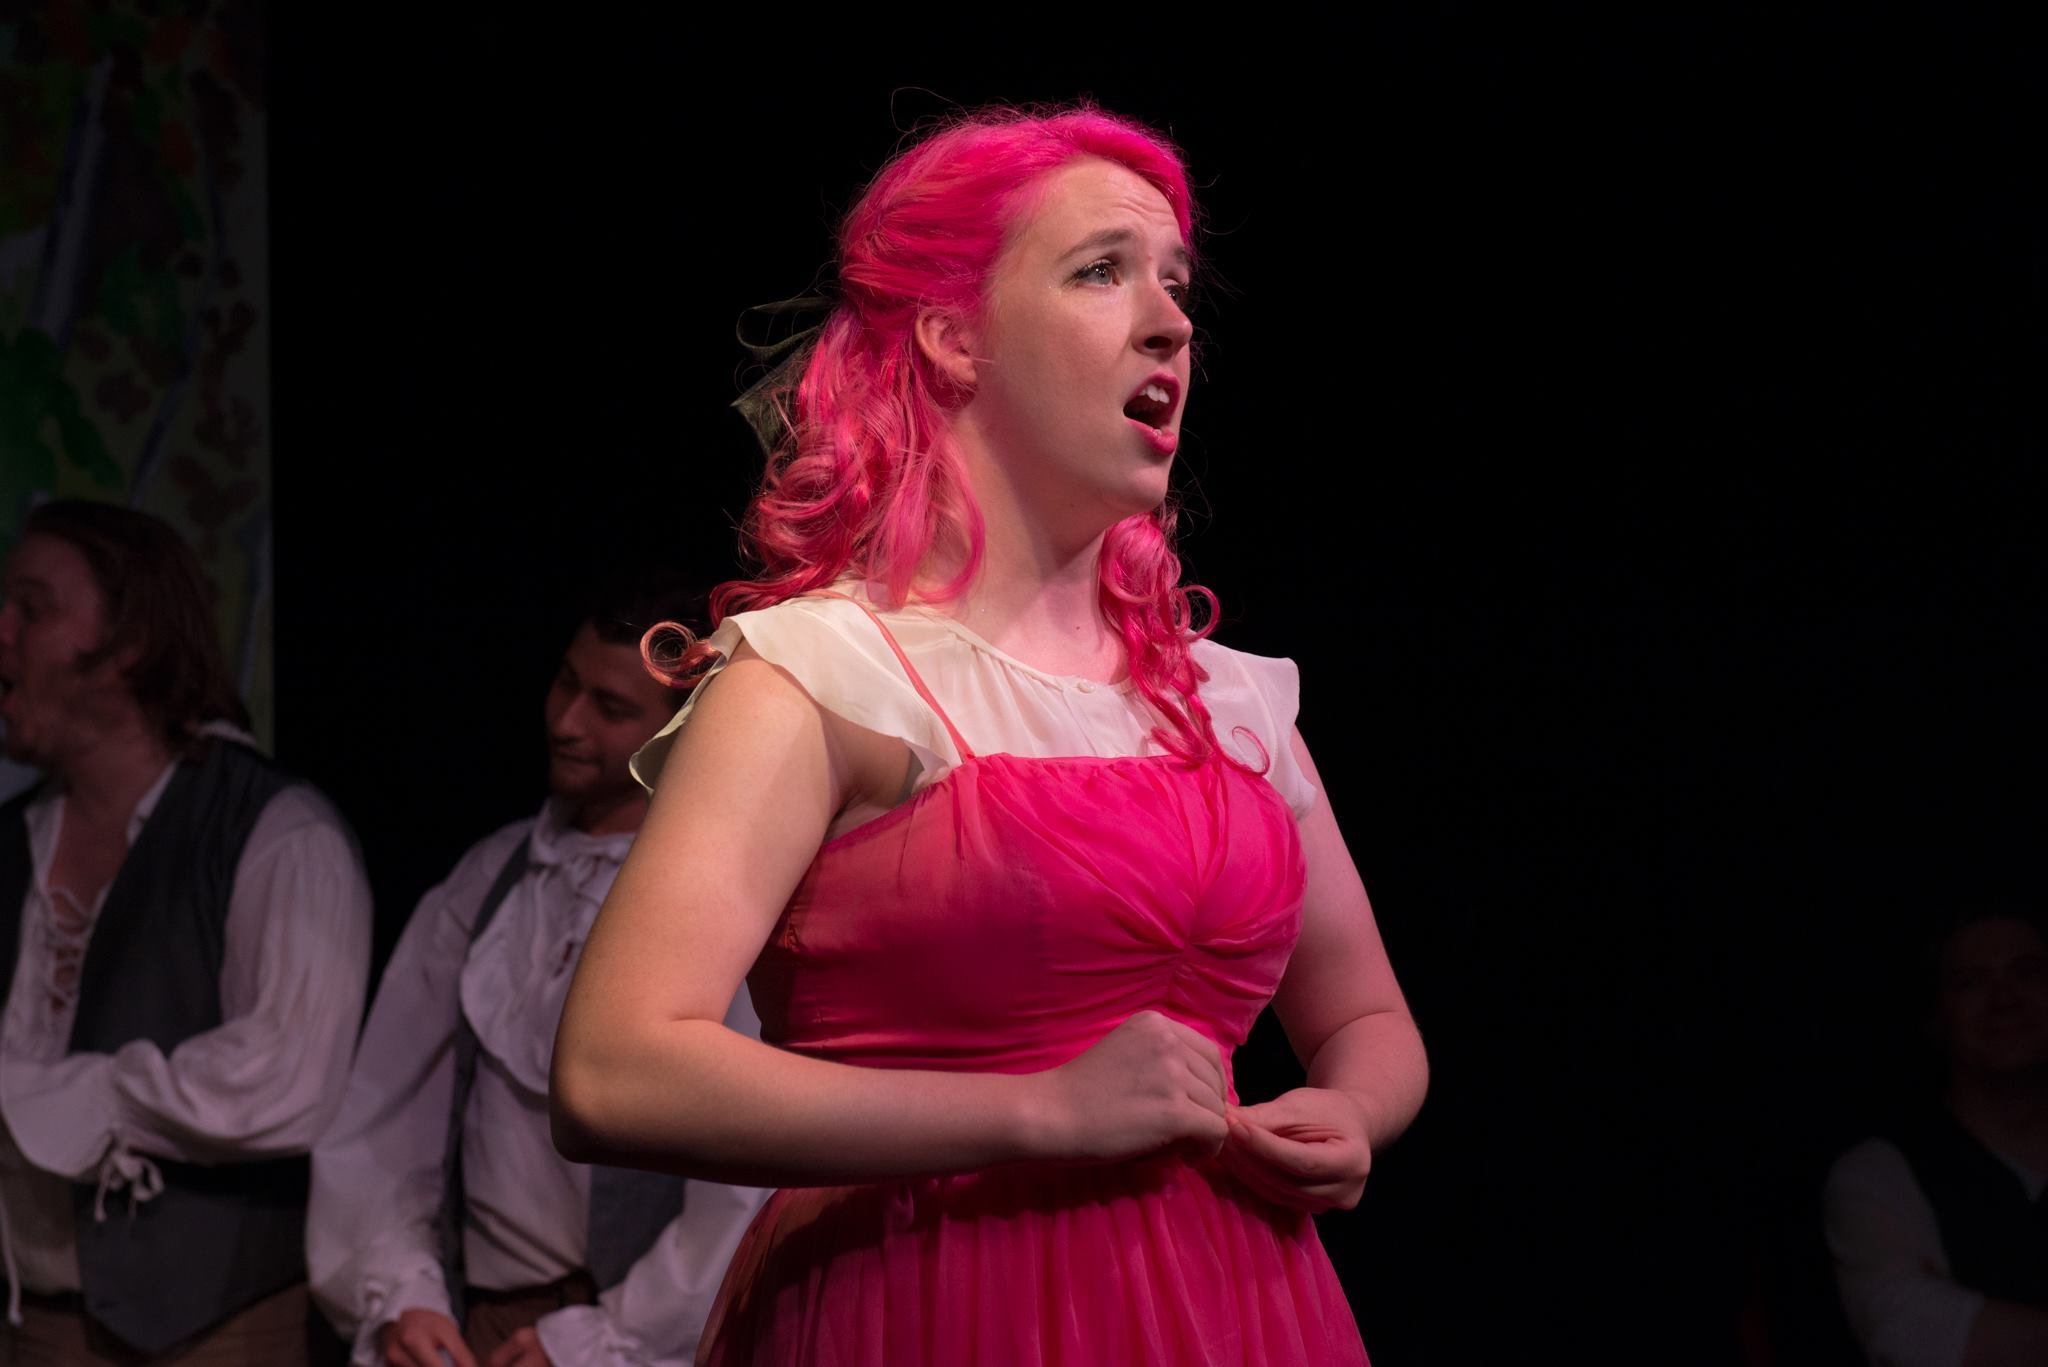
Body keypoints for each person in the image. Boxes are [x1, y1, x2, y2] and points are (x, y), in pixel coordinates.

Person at [549, 106, 1430, 1365]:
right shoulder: (824, 671)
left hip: (1233, 1305)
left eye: (1175, 283)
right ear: (954, 337)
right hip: (928, 1298)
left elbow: (1367, 1017)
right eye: (1100, 271)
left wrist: (1349, 1110)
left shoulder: (1228, 701)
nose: (1170, 321)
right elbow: (612, 1072)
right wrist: (1037, 1110)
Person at [307, 586, 768, 1367]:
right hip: (485, 1325)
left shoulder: (722, 903)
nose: (566, 722)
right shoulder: (490, 882)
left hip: (642, 1340)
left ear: (683, 727)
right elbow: (385, 1115)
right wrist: (403, 1290)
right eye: (565, 683)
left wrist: (606, 1336)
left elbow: (743, 1180)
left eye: (610, 707)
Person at [0, 499, 373, 1363]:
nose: (4, 629)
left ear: (130, 642)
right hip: (28, 1324)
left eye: (34, 608)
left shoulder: (275, 832)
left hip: (210, 1333)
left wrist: (56, 1097)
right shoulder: (14, 839)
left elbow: (286, 1073)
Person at [1825, 904, 2048, 1367]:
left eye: (2027, 973)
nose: (2004, 998)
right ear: (1937, 1016)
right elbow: (1910, 1331)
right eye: (1971, 982)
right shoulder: (1878, 1173)